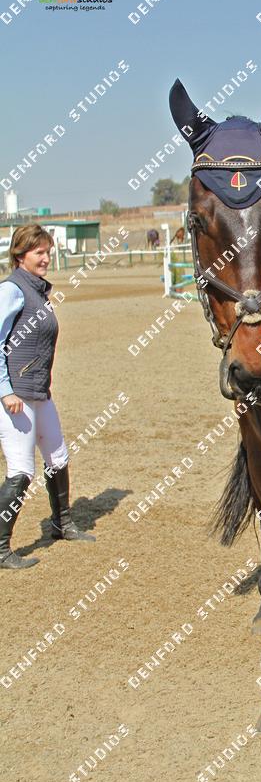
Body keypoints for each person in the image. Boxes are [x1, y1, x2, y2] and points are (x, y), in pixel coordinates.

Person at [0, 225, 94, 570]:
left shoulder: (38, 291)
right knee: (21, 471)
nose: (46, 258)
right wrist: (5, 391)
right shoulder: (11, 290)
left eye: (48, 251)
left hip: (39, 392)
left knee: (58, 457)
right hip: (16, 397)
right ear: (20, 255)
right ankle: (0, 548)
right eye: (39, 252)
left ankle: (61, 523)